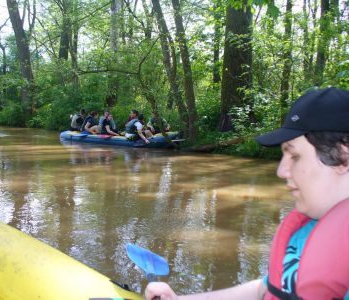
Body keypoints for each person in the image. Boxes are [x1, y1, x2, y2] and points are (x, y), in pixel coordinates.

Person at [145, 87, 349, 300]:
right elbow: (264, 290)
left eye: (294, 156)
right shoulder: (307, 231)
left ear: (342, 156)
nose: (281, 171)